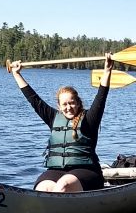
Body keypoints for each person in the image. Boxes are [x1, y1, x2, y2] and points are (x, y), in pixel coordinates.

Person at [8, 53, 114, 192]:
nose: (68, 107)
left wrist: (107, 71)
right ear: (59, 106)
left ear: (78, 103)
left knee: (63, 186)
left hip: (86, 172)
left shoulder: (89, 119)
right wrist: (16, 74)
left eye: (72, 103)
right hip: (57, 170)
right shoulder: (53, 117)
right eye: (64, 104)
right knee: (43, 188)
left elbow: (101, 96)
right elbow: (34, 99)